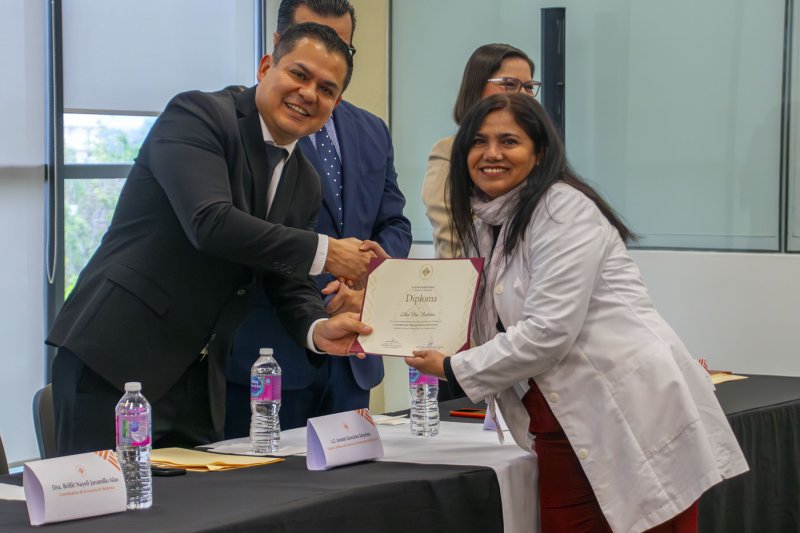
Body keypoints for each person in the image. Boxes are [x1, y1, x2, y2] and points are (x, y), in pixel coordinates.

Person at [407, 93, 748, 533]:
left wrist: (453, 368)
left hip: (629, 412)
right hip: (560, 424)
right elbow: (477, 312)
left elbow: (548, 331)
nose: (491, 154)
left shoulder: (561, 209)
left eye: (508, 141)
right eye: (478, 142)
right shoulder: (488, 222)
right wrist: (381, 309)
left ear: (540, 151)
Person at [47, 23, 380, 456]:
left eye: (327, 88)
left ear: (335, 104)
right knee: (97, 514)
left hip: (200, 379)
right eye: (299, 74)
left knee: (192, 514)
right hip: (115, 361)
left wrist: (319, 329)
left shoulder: (304, 180)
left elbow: (285, 277)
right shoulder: (198, 115)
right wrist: (326, 251)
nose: (309, 93)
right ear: (266, 67)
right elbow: (210, 222)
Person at [225, 0, 411, 436]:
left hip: (355, 352)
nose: (326, 55)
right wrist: (331, 270)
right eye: (313, 41)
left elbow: (394, 223)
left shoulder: (372, 129)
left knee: (352, 495)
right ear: (277, 48)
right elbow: (239, 230)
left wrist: (365, 281)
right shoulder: (241, 124)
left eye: (341, 48)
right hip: (266, 353)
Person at [422, 43, 538, 259]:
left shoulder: (538, 152)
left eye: (529, 86)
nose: (523, 94)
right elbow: (453, 245)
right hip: (470, 281)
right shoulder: (449, 151)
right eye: (510, 84)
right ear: (476, 88)